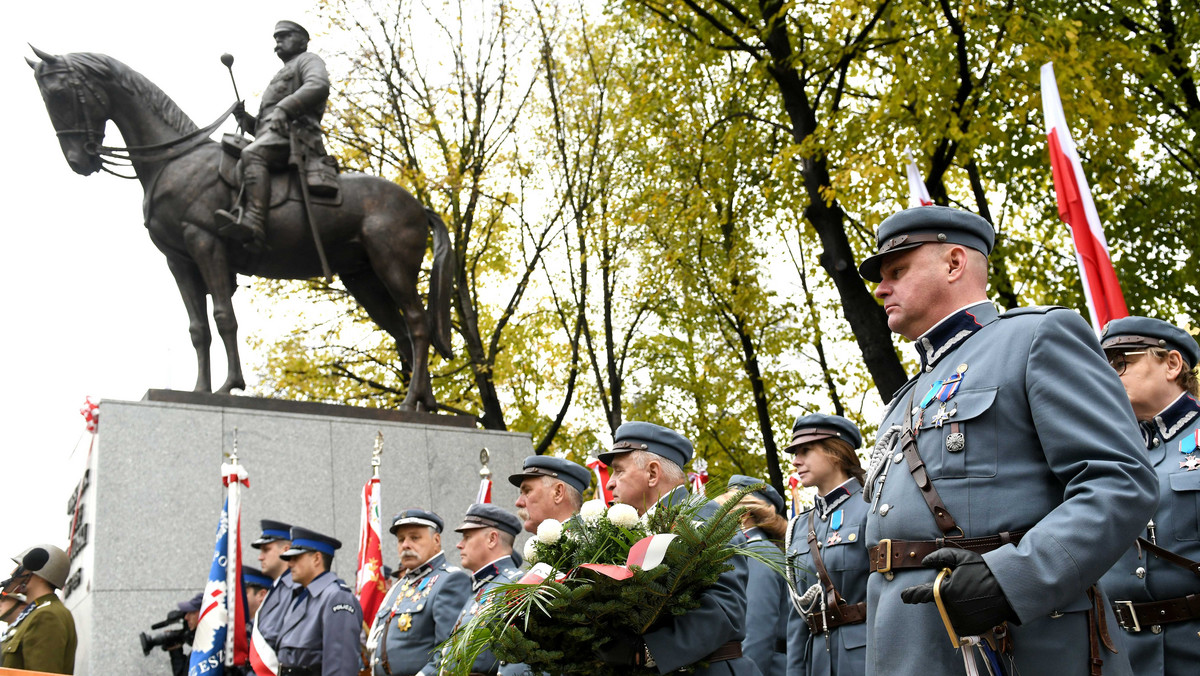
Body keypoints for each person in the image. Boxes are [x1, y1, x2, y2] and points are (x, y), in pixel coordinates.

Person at [857, 205, 1158, 674]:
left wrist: (1012, 578)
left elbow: (1119, 481)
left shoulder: (1035, 337)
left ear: (955, 263)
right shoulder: (904, 399)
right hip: (909, 645)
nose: (881, 288)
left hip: (1015, 640)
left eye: (897, 270)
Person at [599, 421, 761, 675]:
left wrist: (647, 651)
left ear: (653, 473)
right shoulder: (632, 528)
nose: (610, 483)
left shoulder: (703, 517)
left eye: (619, 471)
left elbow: (725, 606)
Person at [1097, 316, 1200, 674]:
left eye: (1122, 361)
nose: (1110, 374)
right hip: (1120, 653)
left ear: (1171, 364)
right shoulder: (1107, 450)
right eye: (1104, 365)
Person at [215, 20, 331, 249]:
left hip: (297, 137)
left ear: (302, 40)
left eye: (284, 36)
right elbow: (266, 125)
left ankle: (254, 223)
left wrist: (285, 108)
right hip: (276, 136)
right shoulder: (282, 73)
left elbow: (318, 85)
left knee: (252, 155)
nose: (278, 42)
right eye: (276, 38)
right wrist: (246, 120)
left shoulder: (308, 60)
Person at [780, 414, 869, 676]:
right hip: (814, 660)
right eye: (795, 452)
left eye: (805, 451)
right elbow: (797, 616)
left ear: (835, 453)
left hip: (865, 658)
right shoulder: (798, 526)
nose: (796, 461)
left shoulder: (871, 508)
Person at [366, 509, 471, 676]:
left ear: (436, 540)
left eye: (414, 537)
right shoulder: (402, 585)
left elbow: (450, 652)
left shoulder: (450, 580)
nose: (405, 545)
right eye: (401, 540)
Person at [436, 503, 525, 675]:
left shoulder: (515, 584)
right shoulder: (481, 586)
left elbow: (519, 659)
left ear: (492, 539)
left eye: (467, 537)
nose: (459, 545)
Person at [717, 475, 790, 675]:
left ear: (745, 514)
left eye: (725, 510)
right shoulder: (755, 550)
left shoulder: (759, 553)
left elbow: (757, 633)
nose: (718, 517)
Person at [276, 526, 363, 676]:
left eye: (296, 558)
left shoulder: (337, 598)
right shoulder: (301, 597)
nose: (290, 564)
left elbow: (341, 668)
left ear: (317, 558)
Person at [0, 544, 76, 674]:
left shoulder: (47, 615)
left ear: (39, 573)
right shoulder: (32, 615)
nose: (13, 573)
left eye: (20, 568)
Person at [250, 519, 296, 674]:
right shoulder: (277, 589)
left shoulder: (295, 590)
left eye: (266, 550)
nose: (260, 557)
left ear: (286, 550)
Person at [508, 455, 591, 534]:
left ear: (558, 493)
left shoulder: (595, 546)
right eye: (521, 493)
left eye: (527, 491)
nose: (518, 502)